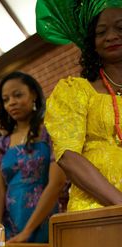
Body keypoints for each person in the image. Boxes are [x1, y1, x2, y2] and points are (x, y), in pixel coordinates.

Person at [38, 1, 122, 210]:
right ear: (92, 43)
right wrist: (119, 203)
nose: (111, 36)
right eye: (101, 32)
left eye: (120, 28)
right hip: (94, 210)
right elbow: (68, 157)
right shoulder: (74, 91)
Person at [0, 71, 66, 243]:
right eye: (6, 99)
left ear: (33, 94)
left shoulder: (52, 131)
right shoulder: (0, 144)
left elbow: (57, 182)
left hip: (46, 217)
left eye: (18, 95)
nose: (12, 103)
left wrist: (28, 231)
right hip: (10, 221)